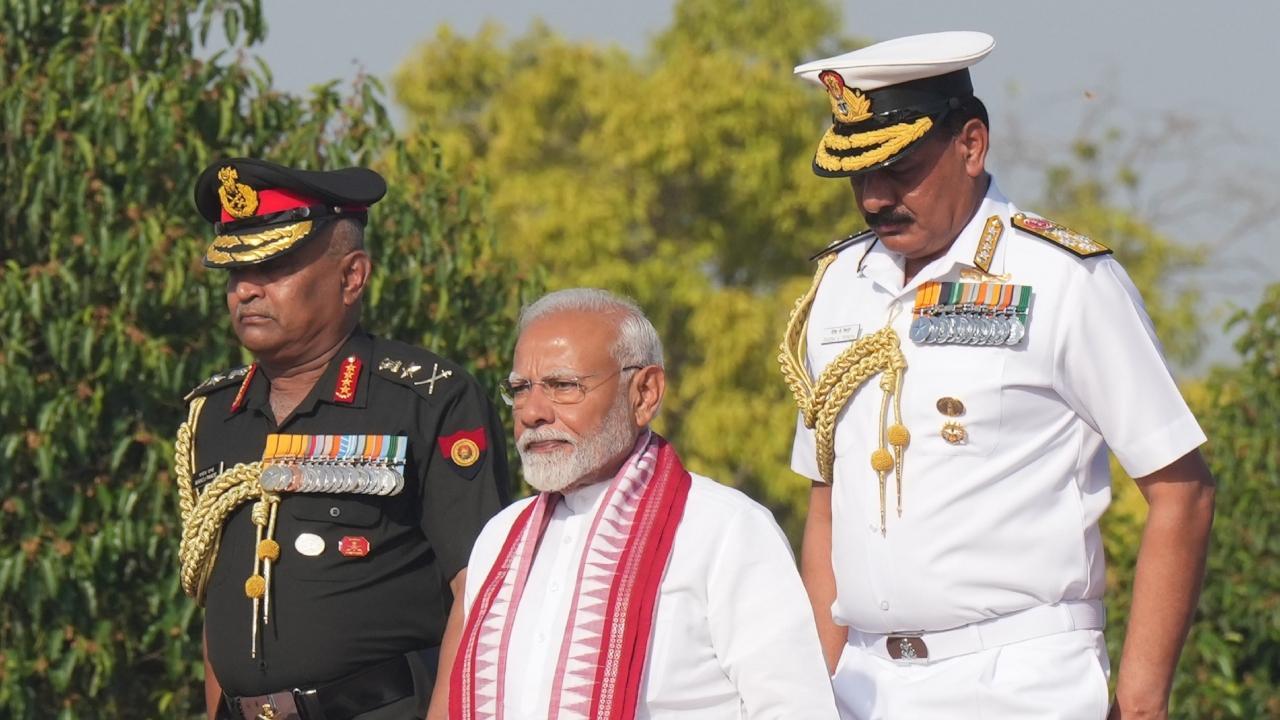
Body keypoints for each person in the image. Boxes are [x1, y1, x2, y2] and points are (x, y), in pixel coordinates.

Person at [779, 32, 1216, 719]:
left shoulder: (1062, 279)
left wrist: (1138, 703)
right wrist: (808, 694)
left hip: (1017, 682)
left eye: (898, 169)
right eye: (860, 175)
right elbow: (827, 504)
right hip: (860, 685)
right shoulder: (840, 284)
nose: (874, 199)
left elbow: (1180, 490)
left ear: (972, 144)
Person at [174, 158, 510, 720]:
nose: (247, 292)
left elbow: (479, 591)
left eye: (273, 267)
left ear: (351, 277)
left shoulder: (427, 400)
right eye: (235, 273)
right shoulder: (214, 416)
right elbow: (219, 601)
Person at [450, 288, 839, 719]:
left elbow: (794, 708)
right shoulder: (502, 537)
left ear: (644, 394)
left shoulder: (724, 529)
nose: (533, 412)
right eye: (521, 388)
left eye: (563, 386)